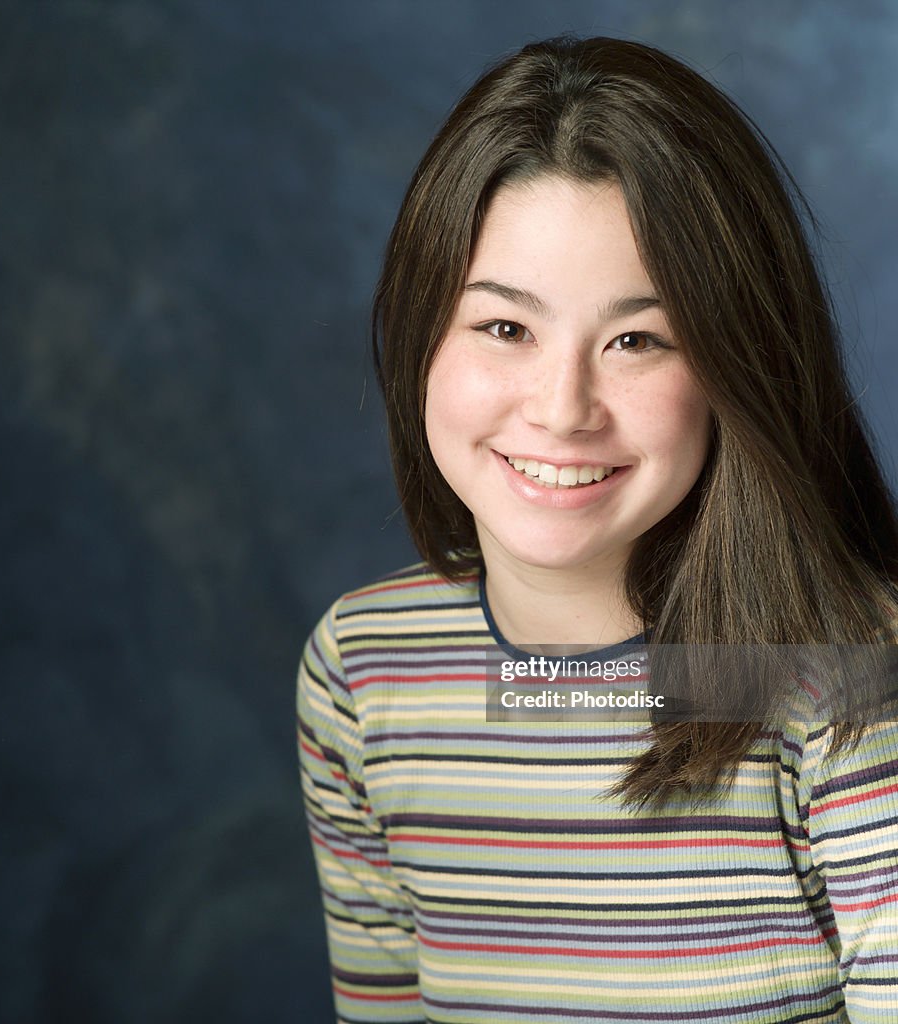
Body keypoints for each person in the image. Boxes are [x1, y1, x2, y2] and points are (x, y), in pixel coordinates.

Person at [297, 35, 898, 1023]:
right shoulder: (365, 671)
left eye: (637, 340)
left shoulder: (845, 679)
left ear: (737, 365)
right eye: (505, 328)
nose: (562, 407)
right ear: (419, 333)